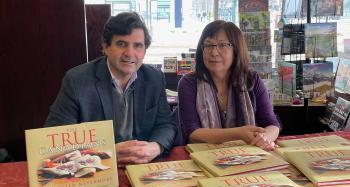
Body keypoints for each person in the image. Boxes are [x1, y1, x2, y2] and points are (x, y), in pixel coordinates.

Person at [45, 12, 177, 164]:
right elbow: (53, 139)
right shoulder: (77, 81)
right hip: (97, 168)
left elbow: (166, 124)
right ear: (105, 47)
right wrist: (106, 152)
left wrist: (156, 147)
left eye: (138, 46)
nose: (129, 53)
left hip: (143, 165)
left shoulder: (154, 78)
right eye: (121, 44)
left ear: (145, 50)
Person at [177, 20, 280, 151]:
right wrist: (238, 134)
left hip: (248, 156)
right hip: (204, 157)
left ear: (236, 49)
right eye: (208, 45)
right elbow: (192, 133)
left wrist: (264, 138)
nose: (214, 52)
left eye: (222, 45)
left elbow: (272, 125)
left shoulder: (252, 80)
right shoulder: (189, 83)